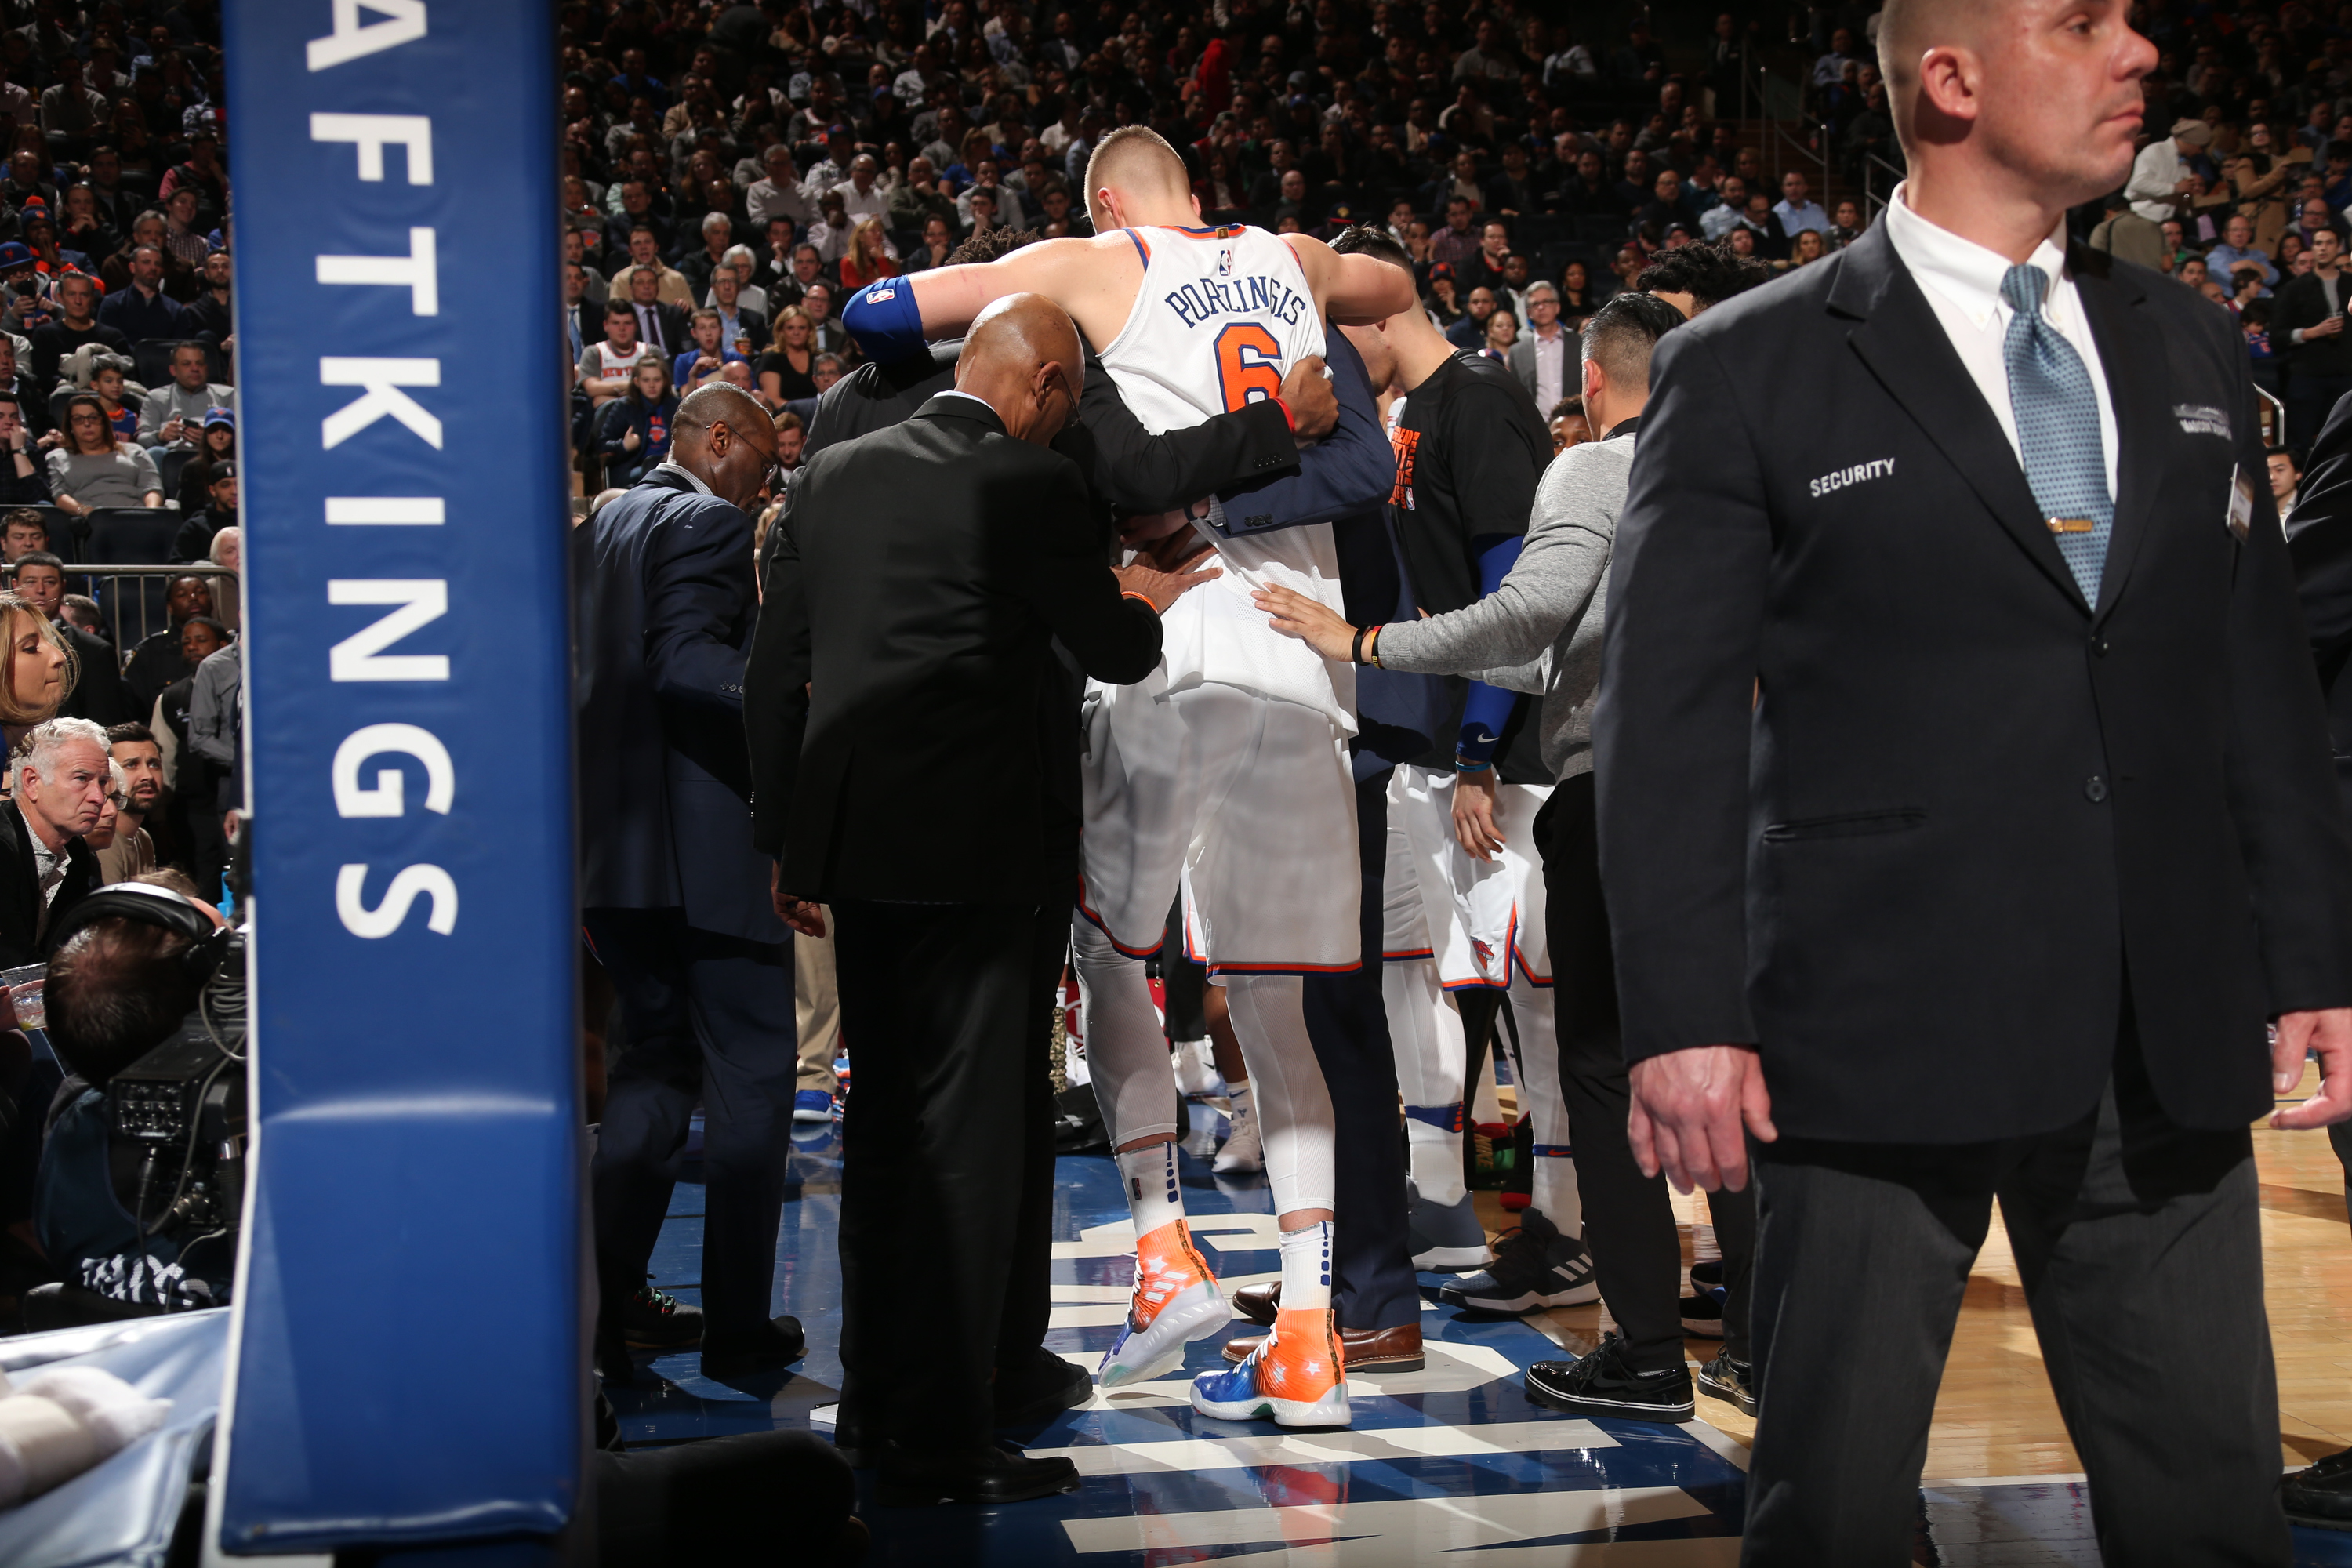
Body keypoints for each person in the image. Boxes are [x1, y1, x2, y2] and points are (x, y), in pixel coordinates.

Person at [1598, 1, 2352, 1559]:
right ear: (1951, 79)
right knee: (1837, 1512)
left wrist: (2312, 953)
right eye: (2082, 23)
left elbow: (2256, 675)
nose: (2139, 52)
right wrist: (1681, 1018)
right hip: (1868, 1035)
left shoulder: (2188, 337)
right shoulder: (1744, 364)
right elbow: (1664, 722)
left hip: (2162, 1031)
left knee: (2215, 1517)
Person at [848, 125, 1414, 1431]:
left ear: (1108, 201)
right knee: (1280, 1013)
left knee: (1112, 952)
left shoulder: (1096, 261)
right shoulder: (1294, 254)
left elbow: (881, 311)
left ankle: (1163, 1251)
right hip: (1304, 662)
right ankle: (1309, 1338)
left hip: (1175, 634)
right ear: (1198, 194)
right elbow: (1391, 288)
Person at [746, 293, 1207, 1504]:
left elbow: (776, 668)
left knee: (885, 1128)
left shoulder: (830, 474)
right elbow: (1111, 648)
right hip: (981, 852)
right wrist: (1144, 601)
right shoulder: (1030, 484)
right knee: (970, 1136)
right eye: (1071, 405)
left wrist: (786, 841)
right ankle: (948, 1439)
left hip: (861, 849)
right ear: (1046, 386)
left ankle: (878, 1406)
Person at [575, 381, 804, 1388]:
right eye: (763, 462)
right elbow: (684, 664)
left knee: (653, 1071)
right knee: (753, 1080)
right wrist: (791, 694)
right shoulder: (706, 521)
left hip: (615, 859)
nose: (767, 486)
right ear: (719, 439)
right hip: (706, 856)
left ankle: (604, 1303)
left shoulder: (598, 526)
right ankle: (740, 1327)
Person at [0, 717, 107, 966]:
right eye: (82, 779)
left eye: (103, 782)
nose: (99, 797)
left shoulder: (76, 851)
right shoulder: (2, 848)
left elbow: (73, 951)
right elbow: (12, 962)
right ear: (32, 782)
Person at [11, 552, 132, 727]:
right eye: (30, 582)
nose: (40, 590)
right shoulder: (4, 640)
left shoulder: (95, 651)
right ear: (15, 585)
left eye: (49, 582)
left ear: (63, 587)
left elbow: (104, 723)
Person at [2278, 224, 2352, 445]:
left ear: (2339, 248)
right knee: (2301, 441)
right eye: (2318, 243)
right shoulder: (2294, 289)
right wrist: (2313, 332)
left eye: (2329, 243)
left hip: (2347, 374)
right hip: (2308, 375)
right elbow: (2277, 336)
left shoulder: (2350, 284)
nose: (2323, 248)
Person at [45, 394, 162, 517]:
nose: (87, 424)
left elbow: (151, 488)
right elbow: (60, 496)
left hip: (137, 516)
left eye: (93, 418)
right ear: (70, 426)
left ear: (104, 422)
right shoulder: (57, 457)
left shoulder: (134, 451)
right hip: (87, 519)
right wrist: (87, 512)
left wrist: (150, 514)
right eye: (78, 419)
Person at [595, 357, 677, 487]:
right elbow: (602, 445)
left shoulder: (675, 407)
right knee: (652, 470)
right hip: (634, 468)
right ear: (636, 382)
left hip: (669, 466)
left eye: (657, 380)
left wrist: (675, 454)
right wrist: (624, 446)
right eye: (646, 380)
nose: (652, 385)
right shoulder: (625, 407)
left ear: (665, 381)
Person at [136, 340, 229, 453]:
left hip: (214, 456)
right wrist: (160, 436)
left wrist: (209, 439)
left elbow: (242, 436)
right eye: (186, 364)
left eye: (199, 363)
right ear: (173, 370)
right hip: (170, 457)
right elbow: (142, 440)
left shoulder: (227, 395)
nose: (195, 369)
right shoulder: (155, 398)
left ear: (206, 368)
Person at [1508, 281, 1570, 412]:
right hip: (1536, 421)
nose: (1541, 307)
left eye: (1547, 302)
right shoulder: (1517, 352)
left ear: (1557, 307)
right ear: (1529, 313)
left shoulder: (1579, 343)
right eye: (1535, 304)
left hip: (1576, 420)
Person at [170, 463, 236, 564]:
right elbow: (176, 565)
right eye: (225, 486)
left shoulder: (256, 524)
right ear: (213, 490)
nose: (234, 491)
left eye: (239, 484)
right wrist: (206, 566)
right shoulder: (195, 527)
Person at [0, 391, 49, 505]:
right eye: (0, 416)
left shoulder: (31, 451)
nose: (9, 422)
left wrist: (18, 450)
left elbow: (40, 499)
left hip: (23, 515)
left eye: (14, 417)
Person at [2274, 442, 2304, 518]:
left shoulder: (2308, 506)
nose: (2272, 477)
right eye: (2266, 472)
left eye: (2280, 470)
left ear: (2297, 474)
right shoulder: (2254, 510)